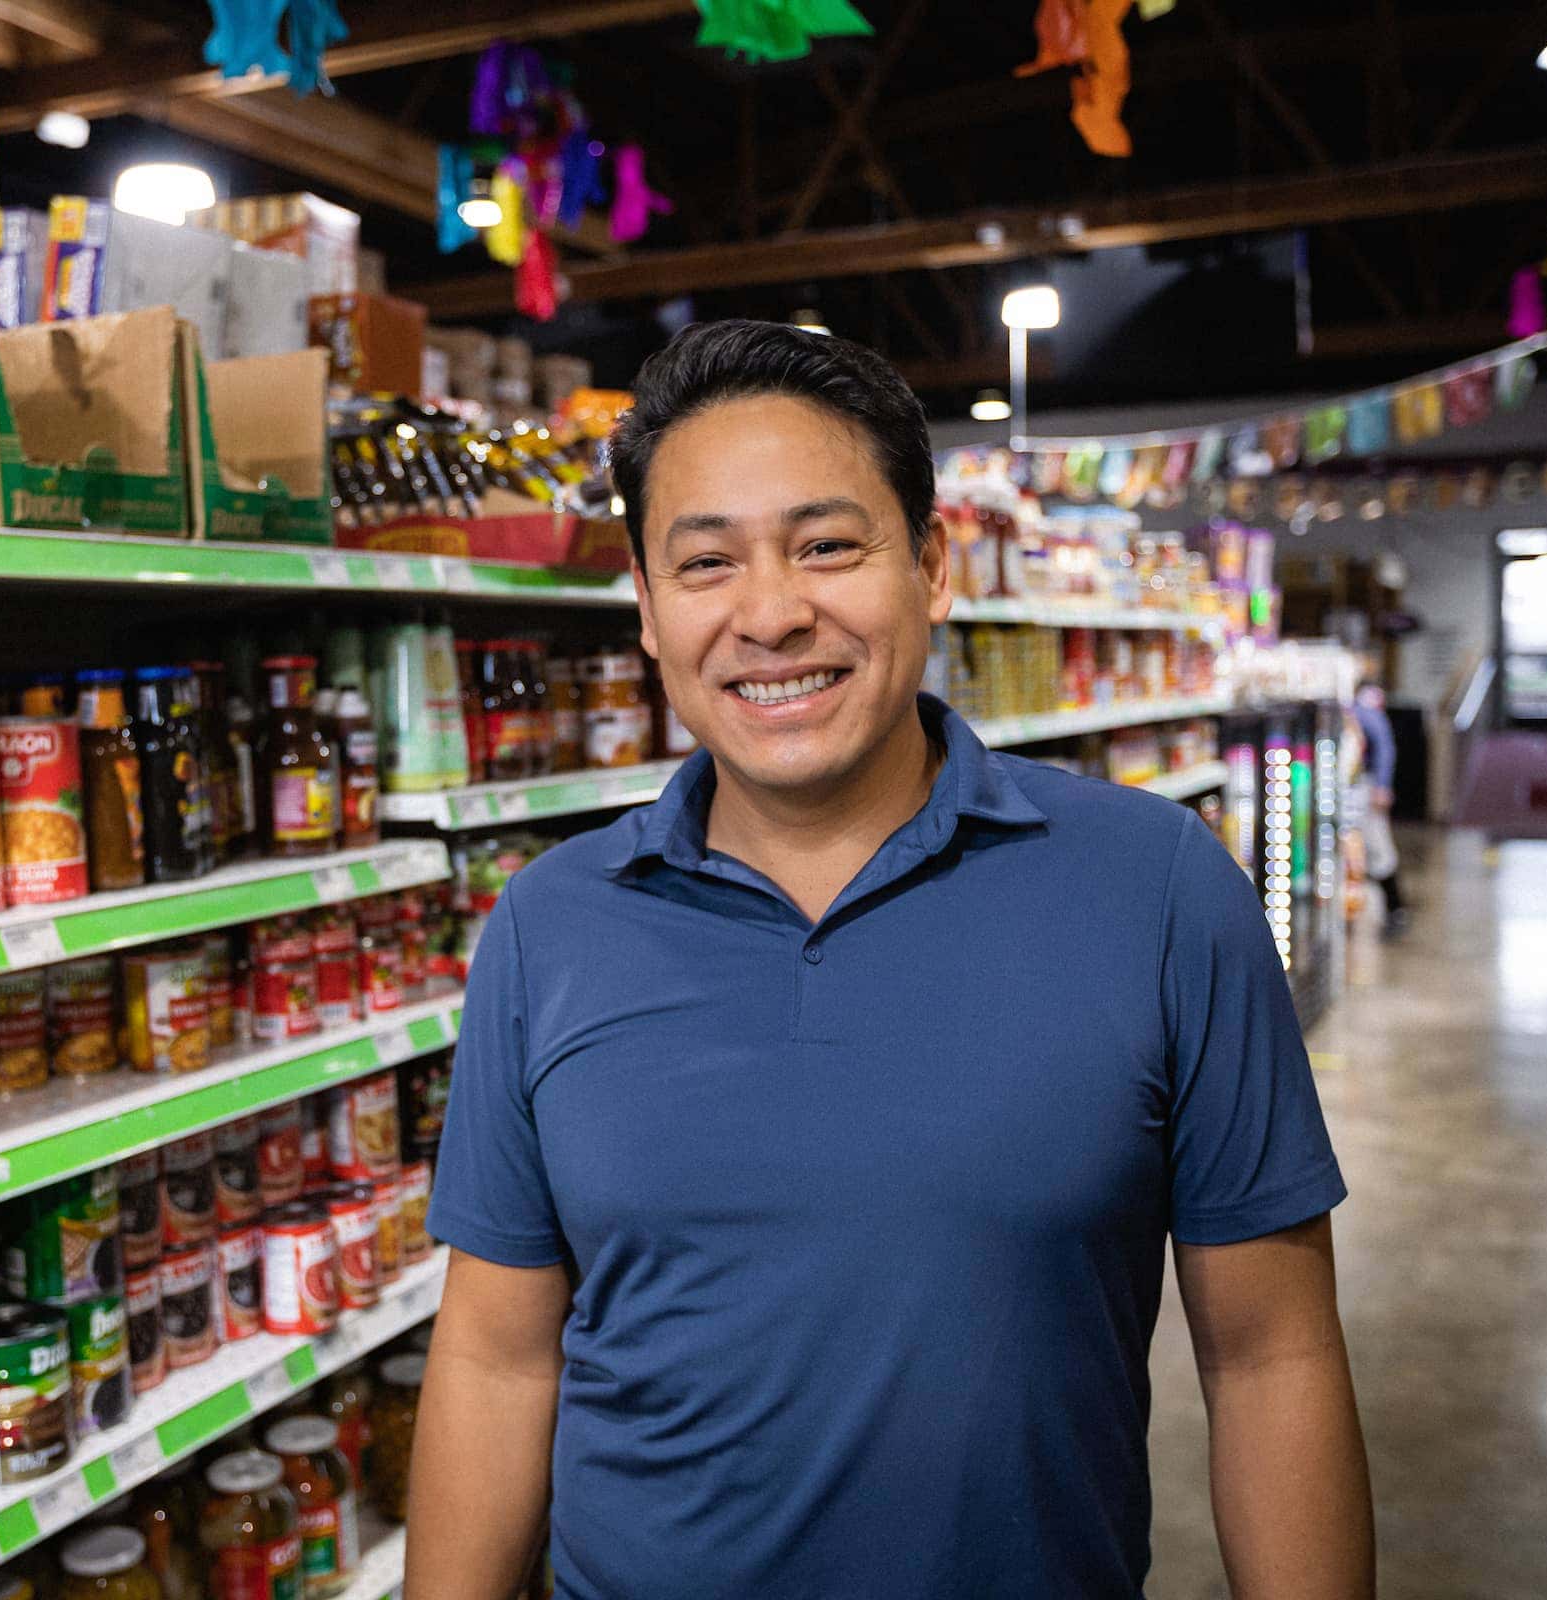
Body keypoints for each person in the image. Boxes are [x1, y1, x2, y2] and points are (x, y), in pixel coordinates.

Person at [408, 321, 1373, 1600]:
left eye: (827, 545)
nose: (771, 614)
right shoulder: (548, 925)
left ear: (930, 564)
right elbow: (495, 1358)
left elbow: (1271, 1358)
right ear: (645, 611)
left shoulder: (1157, 888)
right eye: (706, 564)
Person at [1353, 663, 1406, 935]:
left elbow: (1384, 746)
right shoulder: (1353, 706)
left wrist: (1382, 786)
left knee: (1378, 846)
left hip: (1364, 786)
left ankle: (1395, 909)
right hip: (1357, 786)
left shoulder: (1361, 708)